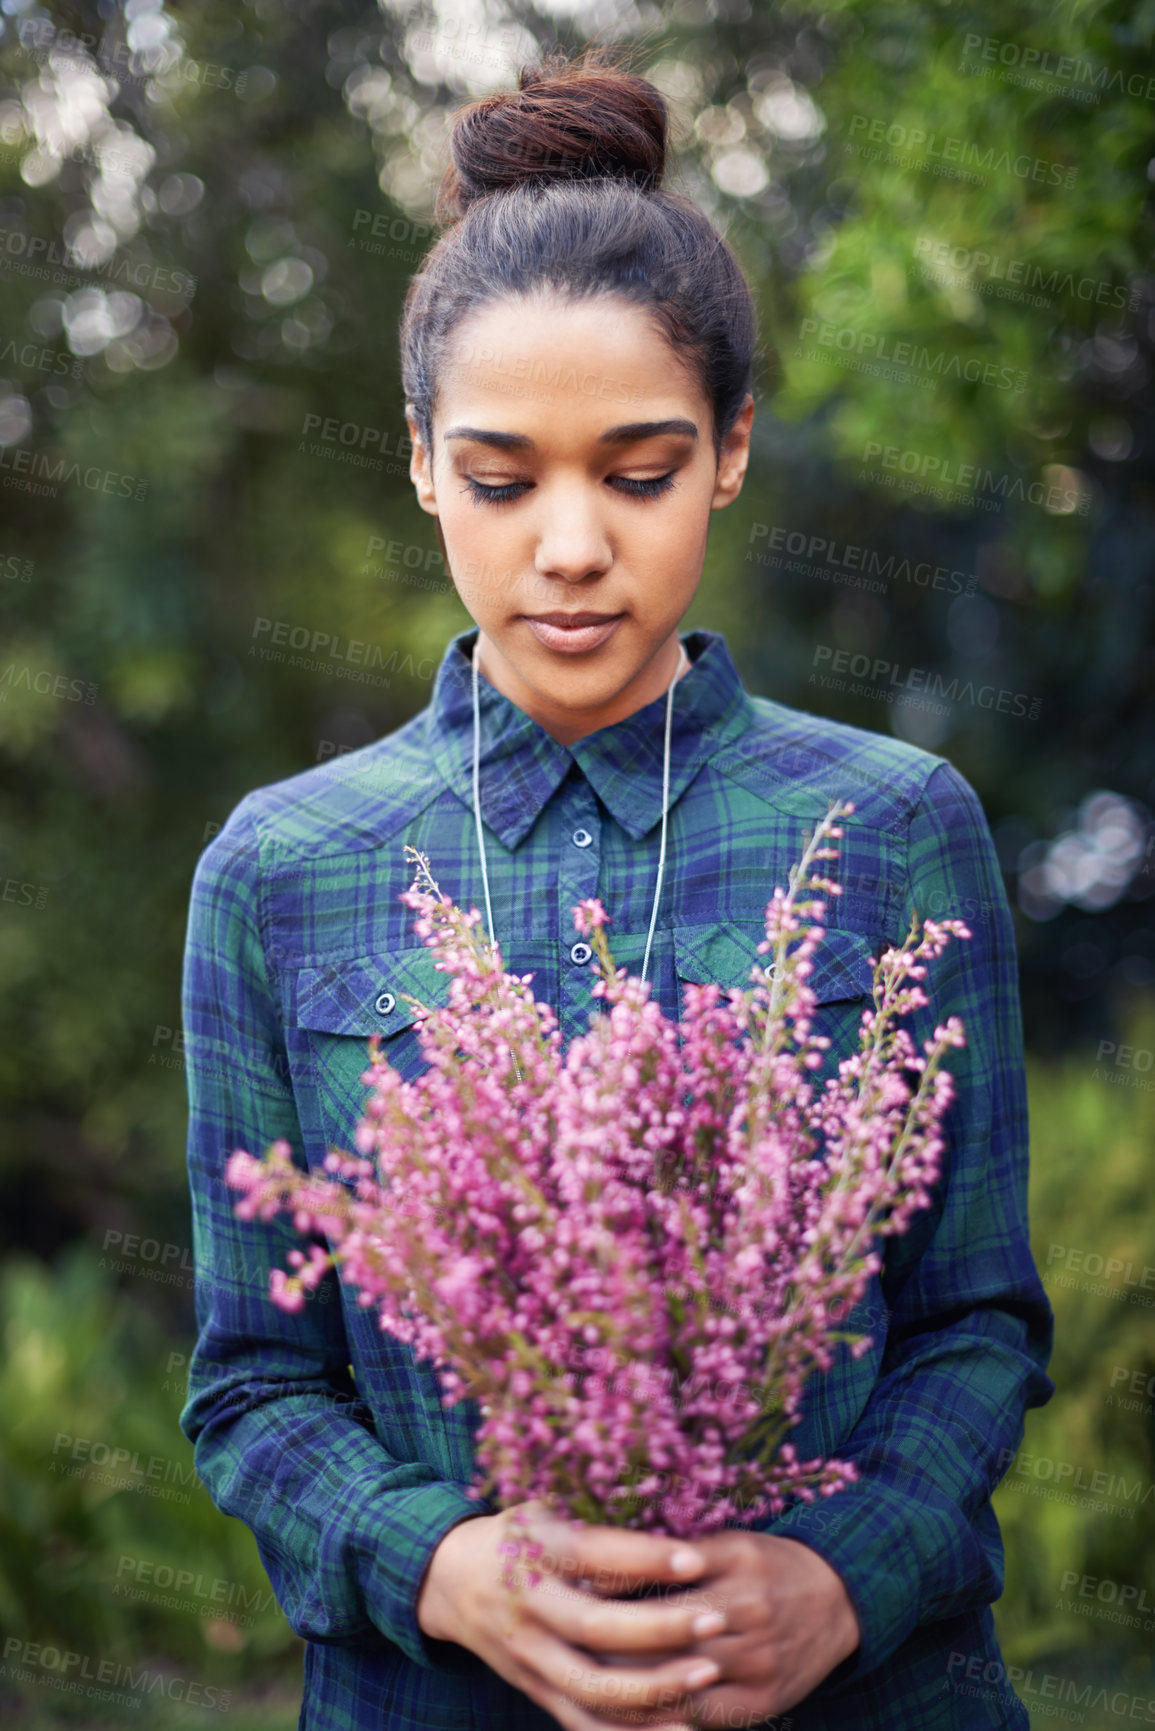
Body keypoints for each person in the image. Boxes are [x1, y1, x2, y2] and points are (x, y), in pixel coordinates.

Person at [179, 45, 1055, 1731]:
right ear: (425, 463)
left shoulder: (891, 827)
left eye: (638, 472)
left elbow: (978, 1325)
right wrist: (437, 1563)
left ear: (729, 451)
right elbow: (256, 1387)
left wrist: (842, 1576)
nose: (569, 544)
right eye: (503, 479)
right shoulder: (283, 869)